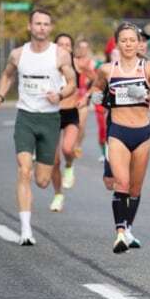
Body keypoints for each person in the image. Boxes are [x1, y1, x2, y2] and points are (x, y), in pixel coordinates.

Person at [0, 9, 76, 245]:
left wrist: (60, 93)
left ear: (51, 28)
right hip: (25, 117)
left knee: (42, 181)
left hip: (49, 119)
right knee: (23, 170)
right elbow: (7, 76)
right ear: (30, 26)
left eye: (46, 24)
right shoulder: (18, 54)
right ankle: (26, 230)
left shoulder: (60, 54)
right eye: (38, 23)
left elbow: (72, 82)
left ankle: (39, 161)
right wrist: (0, 96)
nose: (42, 28)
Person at [91, 22, 150, 253]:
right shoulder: (108, 69)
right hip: (118, 131)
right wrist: (96, 97)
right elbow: (97, 88)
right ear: (117, 44)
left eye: (132, 40)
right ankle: (119, 233)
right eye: (123, 40)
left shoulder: (149, 69)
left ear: (139, 44)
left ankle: (127, 229)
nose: (128, 44)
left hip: (142, 133)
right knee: (122, 183)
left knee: (135, 189)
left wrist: (145, 93)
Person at [49, 35, 95, 212]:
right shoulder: (48, 64)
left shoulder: (77, 64)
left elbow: (97, 80)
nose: (64, 47)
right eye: (60, 44)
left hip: (70, 113)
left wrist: (86, 96)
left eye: (67, 44)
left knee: (68, 149)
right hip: (51, 114)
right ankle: (58, 195)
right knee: (53, 161)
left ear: (71, 48)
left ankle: (69, 166)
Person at [72, 40, 96, 158]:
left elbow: (96, 79)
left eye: (85, 47)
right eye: (81, 47)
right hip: (70, 98)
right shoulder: (72, 61)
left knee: (81, 125)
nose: (83, 50)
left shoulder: (91, 63)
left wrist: (87, 72)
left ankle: (77, 145)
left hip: (83, 97)